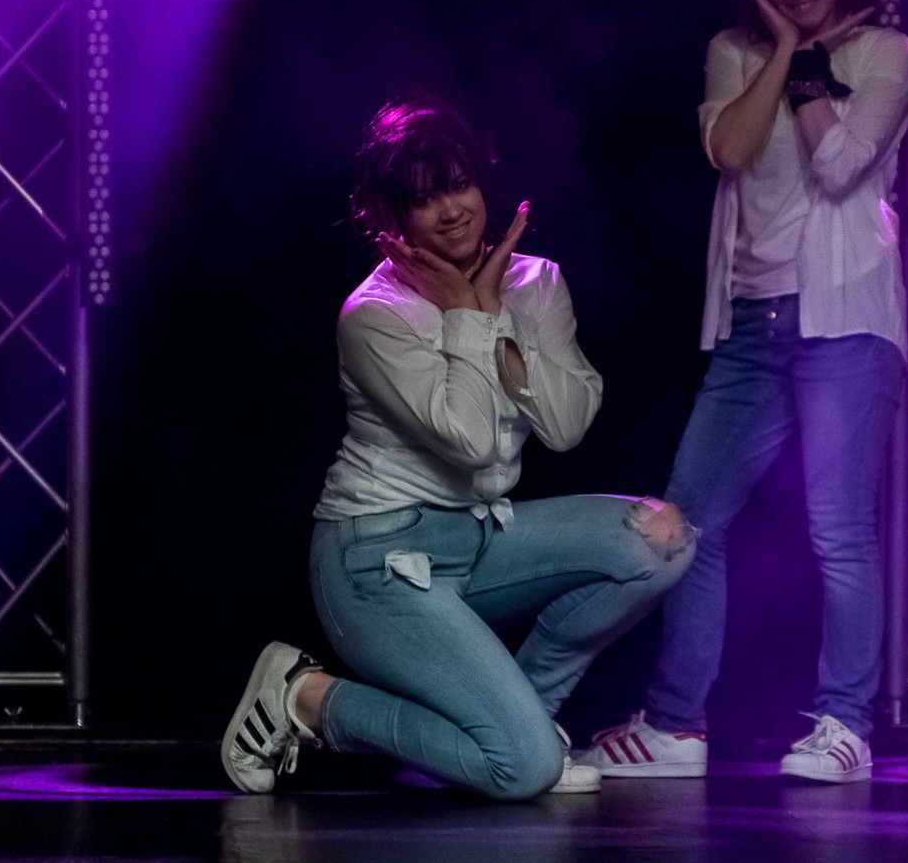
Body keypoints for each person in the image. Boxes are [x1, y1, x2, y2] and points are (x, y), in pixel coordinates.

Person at [221, 99, 696, 801]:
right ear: (389, 219)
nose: (451, 210)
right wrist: (468, 314)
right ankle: (309, 698)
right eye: (423, 199)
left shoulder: (536, 282)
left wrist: (497, 314)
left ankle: (527, 717)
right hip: (372, 562)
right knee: (522, 770)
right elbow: (471, 444)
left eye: (458, 184)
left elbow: (566, 426)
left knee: (661, 540)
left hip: (477, 538)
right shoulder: (374, 315)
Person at [582, 0, 908, 784]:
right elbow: (729, 150)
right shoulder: (733, 50)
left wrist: (808, 67)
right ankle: (676, 724)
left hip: (846, 320)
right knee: (686, 521)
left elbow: (839, 167)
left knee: (839, 529)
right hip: (749, 324)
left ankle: (845, 727)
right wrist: (784, 51)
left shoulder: (885, 52)